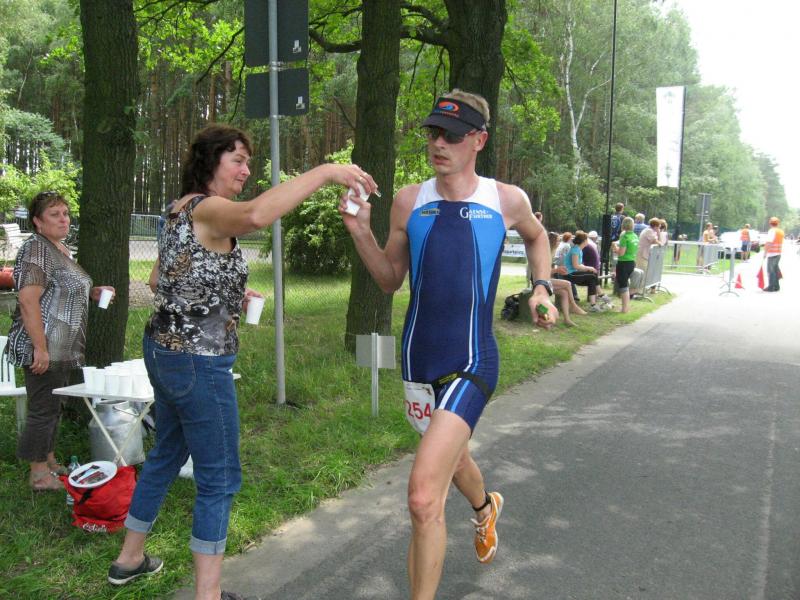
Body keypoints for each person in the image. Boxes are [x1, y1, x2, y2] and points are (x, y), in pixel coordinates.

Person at [109, 124, 376, 600]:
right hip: (198, 363)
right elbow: (255, 215)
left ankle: (129, 559)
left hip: (164, 351)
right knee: (220, 478)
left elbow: (159, 279)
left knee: (167, 453)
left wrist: (227, 295)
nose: (247, 170)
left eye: (248, 161)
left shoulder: (178, 209)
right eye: (238, 160)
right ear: (210, 162)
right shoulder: (209, 208)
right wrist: (326, 172)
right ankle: (208, 595)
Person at [340, 89, 558, 600]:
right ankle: (485, 508)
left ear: (478, 140)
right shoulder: (408, 201)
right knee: (452, 459)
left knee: (422, 498)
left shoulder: (506, 200)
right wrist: (359, 231)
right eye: (434, 133)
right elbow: (389, 279)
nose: (439, 144)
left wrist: (542, 288)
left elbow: (537, 237)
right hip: (417, 360)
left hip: (471, 359)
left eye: (453, 136)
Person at [6, 191, 115, 491]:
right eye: (54, 214)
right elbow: (28, 300)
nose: (63, 219)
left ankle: (50, 461)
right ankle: (38, 474)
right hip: (43, 345)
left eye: (65, 213)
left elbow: (61, 289)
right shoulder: (36, 249)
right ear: (37, 222)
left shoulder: (60, 249)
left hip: (63, 346)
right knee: (43, 408)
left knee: (54, 405)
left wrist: (93, 293)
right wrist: (40, 348)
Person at [547, 231, 587, 326]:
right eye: (558, 240)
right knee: (568, 284)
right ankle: (573, 305)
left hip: (546, 280)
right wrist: (557, 270)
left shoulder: (551, 252)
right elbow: (542, 272)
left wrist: (557, 270)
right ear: (552, 242)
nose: (560, 242)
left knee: (564, 293)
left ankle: (567, 319)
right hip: (540, 281)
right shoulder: (546, 253)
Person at [564, 230, 609, 312]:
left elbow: (579, 265)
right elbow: (576, 265)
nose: (588, 241)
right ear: (584, 241)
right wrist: (589, 268)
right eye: (587, 239)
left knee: (592, 279)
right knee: (592, 275)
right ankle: (601, 295)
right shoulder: (575, 250)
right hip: (570, 274)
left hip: (574, 273)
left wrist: (589, 268)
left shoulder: (578, 249)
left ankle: (593, 305)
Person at [612, 217, 638, 313]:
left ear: (623, 225)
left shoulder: (624, 236)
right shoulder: (635, 236)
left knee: (623, 286)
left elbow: (621, 253)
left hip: (623, 263)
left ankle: (624, 308)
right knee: (625, 285)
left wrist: (615, 247)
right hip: (631, 262)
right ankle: (625, 307)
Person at [763, 216, 784, 292]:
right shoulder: (780, 231)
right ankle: (776, 286)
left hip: (772, 254)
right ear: (777, 223)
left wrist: (765, 253)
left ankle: (771, 287)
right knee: (775, 270)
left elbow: (769, 243)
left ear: (770, 223)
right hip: (778, 253)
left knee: (771, 271)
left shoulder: (772, 231)